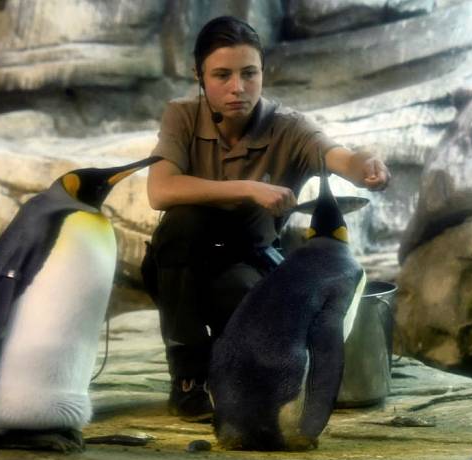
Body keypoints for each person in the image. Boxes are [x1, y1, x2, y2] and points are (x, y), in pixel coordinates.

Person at [142, 16, 390, 422]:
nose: (237, 87)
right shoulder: (182, 116)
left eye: (249, 73)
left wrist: (365, 166)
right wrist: (247, 187)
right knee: (182, 222)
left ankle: (232, 377)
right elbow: (161, 191)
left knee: (251, 304)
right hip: (181, 268)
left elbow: (338, 157)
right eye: (222, 75)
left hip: (248, 263)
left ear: (262, 73)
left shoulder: (288, 126)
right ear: (199, 76)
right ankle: (187, 378)